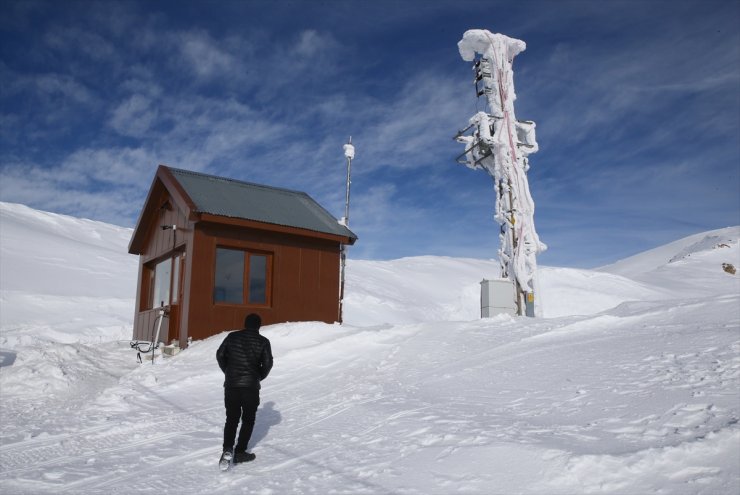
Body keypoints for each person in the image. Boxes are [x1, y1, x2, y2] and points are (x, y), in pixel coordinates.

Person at [216, 313, 273, 466]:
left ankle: (227, 448)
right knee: (248, 420)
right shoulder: (263, 342)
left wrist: (228, 372)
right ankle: (240, 452)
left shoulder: (232, 337)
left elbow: (220, 355)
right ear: (258, 326)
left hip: (231, 386)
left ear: (245, 323)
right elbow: (268, 364)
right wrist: (257, 377)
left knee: (232, 419)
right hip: (250, 388)